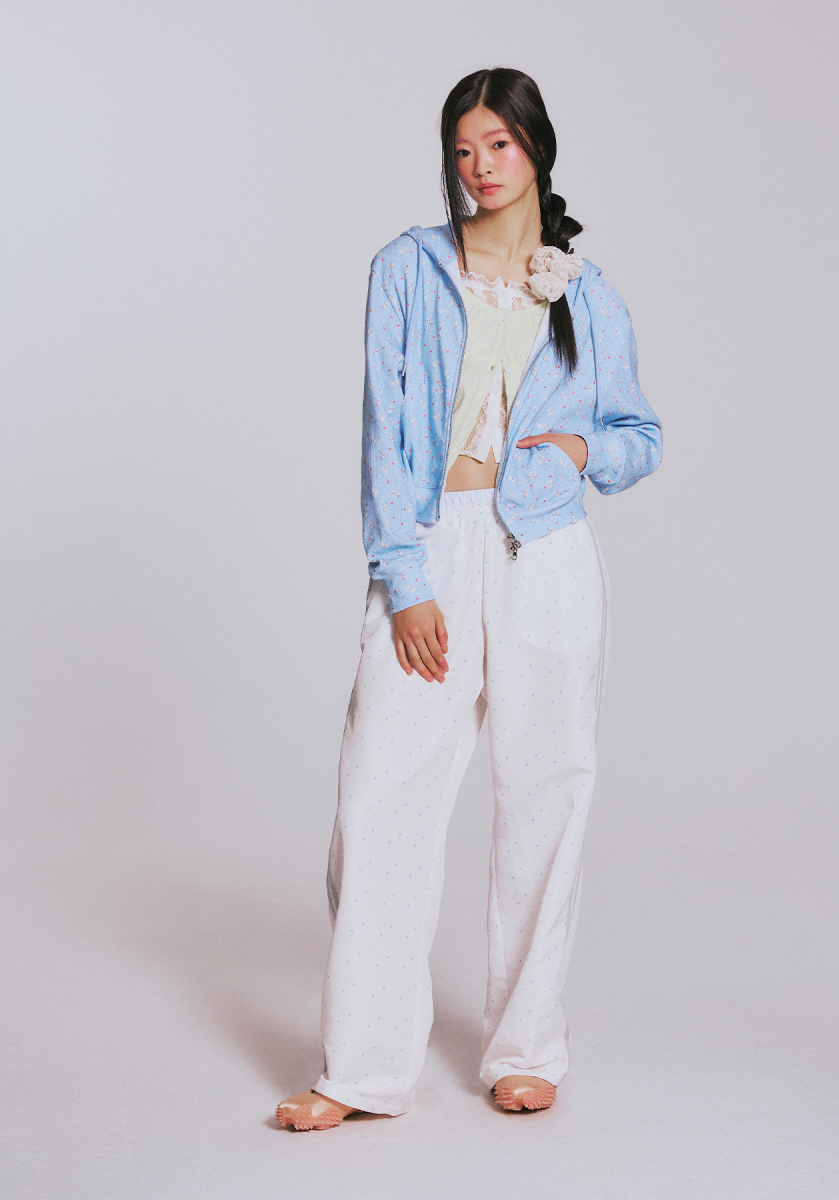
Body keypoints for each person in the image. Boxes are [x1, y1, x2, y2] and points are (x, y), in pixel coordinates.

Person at [276, 66, 662, 1130]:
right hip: (435, 546)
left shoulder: (588, 293)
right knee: (380, 800)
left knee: (546, 795)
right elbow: (383, 432)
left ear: (536, 149)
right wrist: (404, 579)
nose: (479, 166)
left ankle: (526, 1049)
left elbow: (639, 436)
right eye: (462, 149)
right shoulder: (409, 269)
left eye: (498, 144)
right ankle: (361, 1069)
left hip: (547, 555)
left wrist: (581, 448)